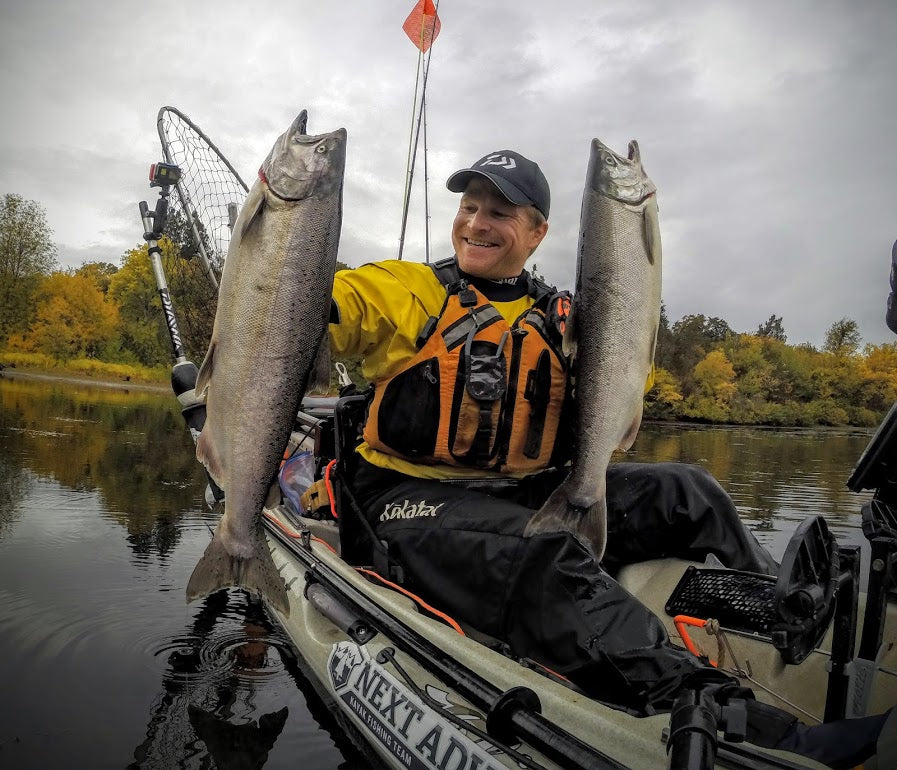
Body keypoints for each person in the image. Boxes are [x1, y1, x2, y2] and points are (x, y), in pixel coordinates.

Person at [326, 149, 888, 766]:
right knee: (541, 547)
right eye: (469, 207)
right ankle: (748, 726)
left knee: (688, 491)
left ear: (537, 232)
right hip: (405, 500)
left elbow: (623, 390)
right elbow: (329, 306)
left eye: (500, 212)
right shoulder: (406, 289)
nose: (476, 223)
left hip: (523, 491)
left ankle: (776, 617)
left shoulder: (563, 315)